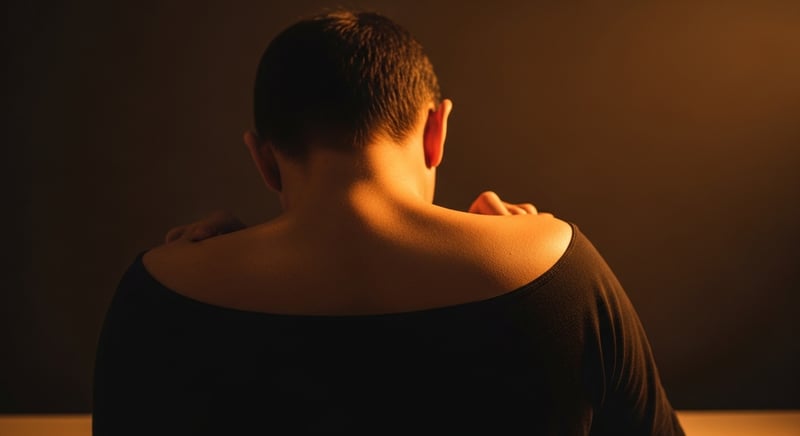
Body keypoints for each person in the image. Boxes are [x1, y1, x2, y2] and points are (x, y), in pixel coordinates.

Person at [92, 10, 684, 435]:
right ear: (437, 131)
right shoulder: (558, 263)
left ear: (264, 158)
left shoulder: (159, 291)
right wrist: (524, 248)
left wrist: (191, 270)